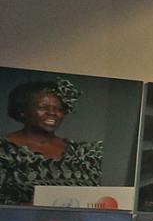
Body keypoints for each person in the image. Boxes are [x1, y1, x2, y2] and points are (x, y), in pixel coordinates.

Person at [0, 78, 105, 206]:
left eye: (59, 109)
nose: (52, 113)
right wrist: (27, 208)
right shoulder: (4, 151)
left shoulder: (83, 154)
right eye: (43, 107)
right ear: (22, 111)